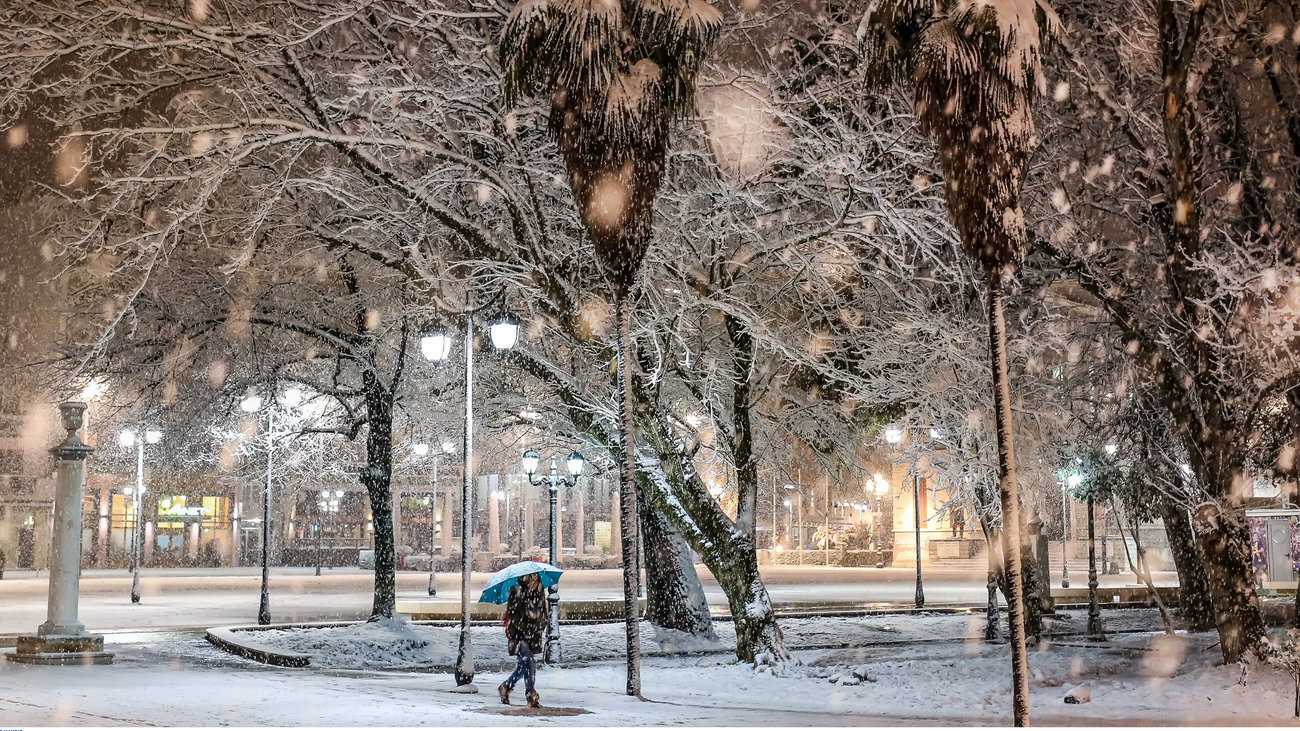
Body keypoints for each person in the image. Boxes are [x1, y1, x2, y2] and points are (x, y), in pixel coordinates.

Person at [498, 572, 547, 708]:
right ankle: (530, 694)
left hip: (534, 635)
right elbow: (514, 616)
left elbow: (544, 615)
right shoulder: (517, 594)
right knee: (529, 662)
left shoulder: (539, 594)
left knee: (523, 667)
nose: (533, 584)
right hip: (519, 636)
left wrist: (540, 625)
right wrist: (527, 626)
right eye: (530, 581)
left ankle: (506, 686)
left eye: (536, 581)